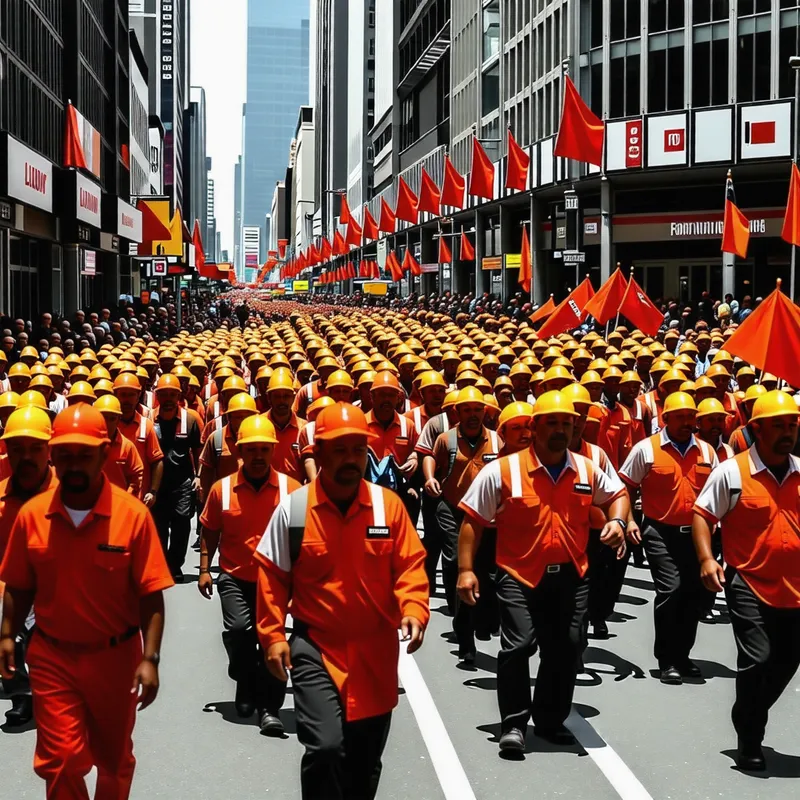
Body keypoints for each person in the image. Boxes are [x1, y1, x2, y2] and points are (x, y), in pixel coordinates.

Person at [254, 403, 429, 800]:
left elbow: (410, 567)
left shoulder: (389, 506)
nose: (351, 459)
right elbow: (272, 577)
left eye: (357, 449)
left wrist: (415, 608)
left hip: (375, 653)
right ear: (320, 452)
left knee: (364, 760)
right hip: (316, 646)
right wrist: (272, 637)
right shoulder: (295, 510)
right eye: (340, 449)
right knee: (326, 747)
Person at [0, 404, 173, 799]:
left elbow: (151, 593)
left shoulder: (133, 517)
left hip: (116, 659)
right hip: (52, 657)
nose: (73, 464)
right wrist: (7, 634)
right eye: (65, 455)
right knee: (61, 760)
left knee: (113, 759)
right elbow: (19, 584)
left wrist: (151, 658)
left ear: (105, 451)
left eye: (84, 455)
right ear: (53, 456)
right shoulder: (32, 515)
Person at [457, 391, 627, 753]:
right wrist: (466, 570)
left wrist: (618, 521)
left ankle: (550, 720)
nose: (561, 429)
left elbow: (618, 494)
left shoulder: (586, 468)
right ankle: (514, 724)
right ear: (534, 427)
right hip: (518, 573)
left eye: (567, 422)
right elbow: (472, 521)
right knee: (518, 646)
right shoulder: (501, 471)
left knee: (565, 648)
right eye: (552, 422)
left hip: (571, 574)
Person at [693, 390, 800, 771]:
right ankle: (750, 738)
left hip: (796, 589)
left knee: (787, 661)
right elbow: (704, 515)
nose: (787, 432)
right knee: (759, 658)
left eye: (792, 424)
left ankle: (747, 709)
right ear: (756, 429)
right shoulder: (731, 471)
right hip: (749, 582)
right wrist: (707, 559)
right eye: (778, 425)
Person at [199, 415, 300, 735]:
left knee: (272, 640)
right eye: (251, 450)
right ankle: (244, 679)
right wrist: (204, 569)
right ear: (239, 452)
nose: (258, 456)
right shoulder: (222, 490)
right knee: (241, 632)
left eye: (264, 449)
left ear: (273, 451)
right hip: (234, 576)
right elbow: (210, 531)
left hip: (277, 581)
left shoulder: (292, 490)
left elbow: (302, 540)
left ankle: (269, 709)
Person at [619, 392, 718, 684]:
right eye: (681, 417)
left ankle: (683, 656)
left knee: (692, 594)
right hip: (659, 531)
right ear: (666, 419)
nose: (688, 422)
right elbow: (626, 486)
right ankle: (666, 659)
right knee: (671, 589)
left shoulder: (707, 452)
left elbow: (715, 494)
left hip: (697, 534)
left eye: (691, 417)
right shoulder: (645, 450)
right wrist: (628, 520)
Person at [424, 386, 501, 660]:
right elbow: (431, 459)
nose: (472, 415)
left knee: (489, 572)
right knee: (460, 561)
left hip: (485, 514)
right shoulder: (446, 439)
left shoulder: (496, 441)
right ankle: (465, 640)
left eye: (477, 410)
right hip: (453, 508)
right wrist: (430, 478)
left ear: (485, 412)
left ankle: (486, 619)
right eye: (466, 410)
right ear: (457, 413)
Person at [0, 406, 57, 726]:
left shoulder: (67, 494)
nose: (26, 456)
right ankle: (22, 695)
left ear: (49, 449)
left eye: (35, 448)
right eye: (17, 448)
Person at [151, 374, 203, 581]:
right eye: (164, 394)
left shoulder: (190, 419)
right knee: (160, 526)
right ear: (158, 396)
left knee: (182, 523)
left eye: (173, 394)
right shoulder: (150, 420)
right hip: (158, 483)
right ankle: (162, 565)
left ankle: (175, 565)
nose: (168, 398)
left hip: (182, 482)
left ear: (179, 395)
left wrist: (199, 476)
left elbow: (199, 450)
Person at [94, 395, 144, 495]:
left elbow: (136, 477)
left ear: (118, 420)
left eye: (112, 419)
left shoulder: (127, 447)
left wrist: (126, 499)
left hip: (119, 505)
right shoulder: (87, 445)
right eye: (103, 418)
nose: (107, 423)